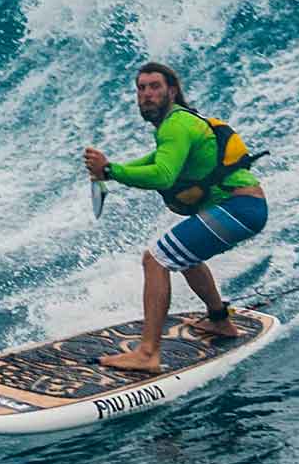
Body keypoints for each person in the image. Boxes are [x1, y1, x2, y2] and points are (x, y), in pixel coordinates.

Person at [81, 62, 269, 374]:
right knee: (185, 256)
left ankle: (147, 354)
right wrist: (109, 170)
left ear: (172, 90)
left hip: (238, 210)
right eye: (141, 88)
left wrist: (110, 171)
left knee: (156, 259)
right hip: (242, 210)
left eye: (154, 86)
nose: (146, 94)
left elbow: (164, 175)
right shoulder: (177, 124)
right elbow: (152, 162)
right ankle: (220, 320)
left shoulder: (175, 126)